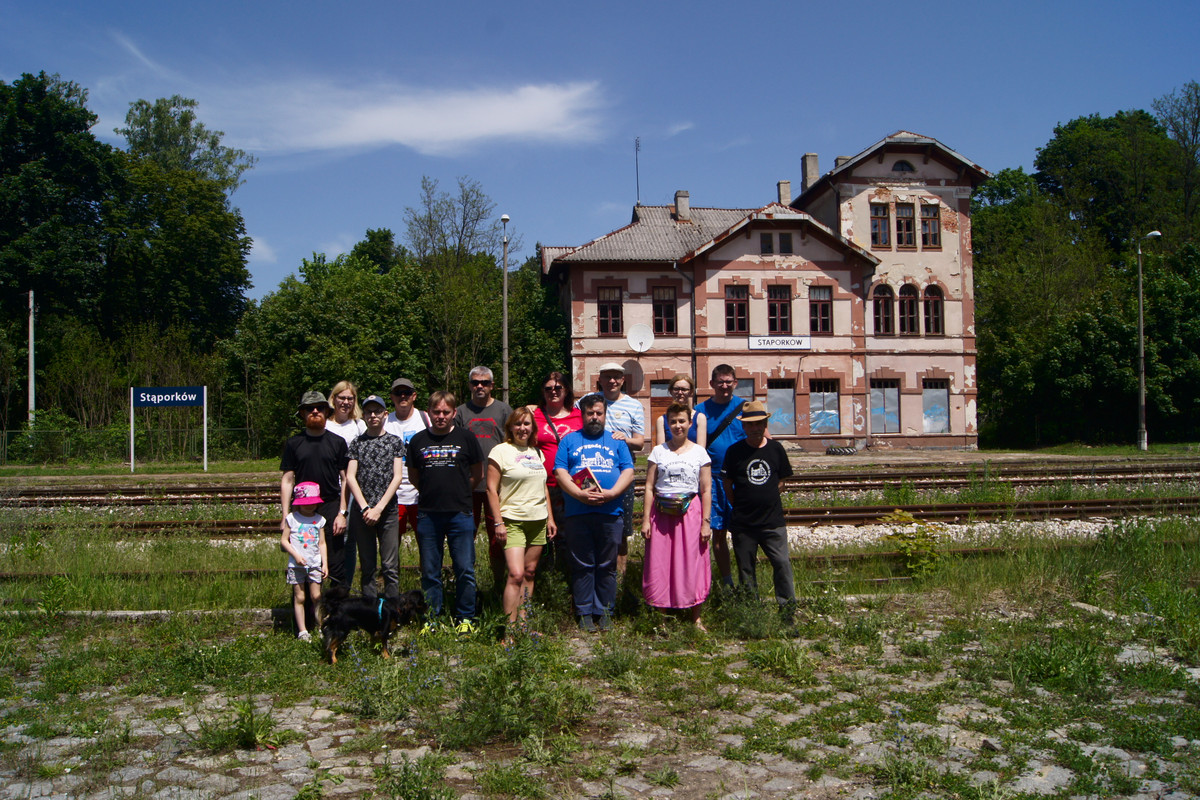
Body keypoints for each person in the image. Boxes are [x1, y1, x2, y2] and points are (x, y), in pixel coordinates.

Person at [554, 393, 635, 632]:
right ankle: (584, 611)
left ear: (605, 414)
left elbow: (628, 472)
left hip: (610, 512)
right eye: (590, 413)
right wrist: (579, 495)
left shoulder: (616, 441)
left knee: (607, 564)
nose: (595, 417)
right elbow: (560, 472)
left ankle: (605, 611)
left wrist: (611, 494)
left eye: (599, 413)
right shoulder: (570, 440)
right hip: (578, 513)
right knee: (582, 564)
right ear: (582, 415)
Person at [408, 391, 484, 633]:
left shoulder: (467, 438)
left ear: (454, 413)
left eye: (446, 412)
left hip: (460, 513)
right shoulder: (418, 440)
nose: (441, 416)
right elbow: (413, 476)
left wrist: (460, 492)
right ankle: (432, 619)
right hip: (428, 514)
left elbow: (477, 474)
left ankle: (466, 619)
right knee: (430, 571)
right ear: (429, 413)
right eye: (436, 412)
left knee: (465, 569)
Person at [641, 402, 713, 630]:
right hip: (661, 514)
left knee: (692, 562)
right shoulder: (658, 451)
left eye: (682, 421)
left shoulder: (700, 453)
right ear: (667, 424)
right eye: (673, 421)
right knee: (660, 563)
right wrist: (645, 520)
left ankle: (695, 617)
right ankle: (662, 616)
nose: (677, 425)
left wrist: (706, 523)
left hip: (690, 513)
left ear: (690, 423)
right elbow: (650, 487)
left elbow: (706, 490)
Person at [486, 407, 557, 625]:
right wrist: (498, 522)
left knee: (529, 572)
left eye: (527, 424)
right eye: (518, 424)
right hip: (512, 520)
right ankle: (509, 630)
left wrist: (550, 519)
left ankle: (523, 626)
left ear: (532, 428)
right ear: (510, 427)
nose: (522, 428)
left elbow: (543, 488)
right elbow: (491, 489)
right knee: (516, 574)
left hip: (537, 519)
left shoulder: (537, 453)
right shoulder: (500, 451)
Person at [723, 400, 795, 610]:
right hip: (743, 523)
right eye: (750, 424)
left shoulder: (776, 449)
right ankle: (751, 611)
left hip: (773, 522)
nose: (755, 428)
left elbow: (781, 481)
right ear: (743, 426)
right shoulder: (734, 451)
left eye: (759, 424)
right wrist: (740, 504)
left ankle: (787, 609)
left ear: (765, 424)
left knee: (782, 564)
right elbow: (727, 485)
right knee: (746, 569)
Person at [280, 391, 349, 586]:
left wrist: (342, 512)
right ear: (302, 413)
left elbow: (345, 479)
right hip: (302, 510)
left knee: (335, 562)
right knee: (303, 561)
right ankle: (308, 612)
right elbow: (287, 480)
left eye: (320, 408)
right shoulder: (294, 443)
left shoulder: (337, 442)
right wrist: (286, 516)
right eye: (310, 408)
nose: (315, 411)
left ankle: (337, 611)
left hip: (330, 505)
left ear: (327, 412)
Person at [455, 365, 513, 593]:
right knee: (464, 536)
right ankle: (467, 586)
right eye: (475, 382)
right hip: (467, 485)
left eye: (484, 383)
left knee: (498, 538)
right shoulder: (460, 412)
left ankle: (498, 586)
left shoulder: (503, 410)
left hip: (496, 487)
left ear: (492, 386)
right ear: (469, 385)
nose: (480, 386)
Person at [346, 395, 405, 601]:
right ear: (363, 415)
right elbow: (351, 477)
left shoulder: (394, 442)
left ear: (384, 414)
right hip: (363, 513)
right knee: (368, 566)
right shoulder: (357, 443)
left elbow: (397, 477)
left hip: (387, 511)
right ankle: (369, 612)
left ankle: (392, 612)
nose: (373, 415)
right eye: (369, 412)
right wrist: (365, 508)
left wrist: (379, 508)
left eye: (377, 411)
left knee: (390, 566)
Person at [696, 364, 746, 588]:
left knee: (744, 533)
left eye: (729, 382)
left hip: (741, 479)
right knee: (718, 534)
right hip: (713, 479)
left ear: (735, 383)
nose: (724, 386)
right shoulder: (701, 410)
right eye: (720, 382)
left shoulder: (745, 407)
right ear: (712, 384)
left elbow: (765, 438)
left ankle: (747, 580)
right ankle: (727, 583)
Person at [527, 370, 582, 572]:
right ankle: (544, 580)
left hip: (571, 486)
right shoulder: (535, 415)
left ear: (566, 390)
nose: (553, 392)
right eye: (548, 388)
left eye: (558, 387)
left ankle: (567, 578)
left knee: (569, 536)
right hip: (542, 485)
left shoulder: (579, 416)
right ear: (543, 392)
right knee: (543, 537)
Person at [596, 362, 644, 579]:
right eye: (607, 377)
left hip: (623, 471)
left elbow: (640, 442)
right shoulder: (589, 402)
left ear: (623, 380)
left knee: (622, 525)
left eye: (616, 377)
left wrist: (625, 439)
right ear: (600, 379)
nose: (612, 381)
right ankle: (598, 572)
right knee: (595, 522)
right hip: (594, 470)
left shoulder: (634, 405)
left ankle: (620, 578)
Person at [383, 377, 431, 552]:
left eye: (407, 393)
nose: (403, 396)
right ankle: (390, 578)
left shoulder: (426, 418)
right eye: (398, 393)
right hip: (394, 495)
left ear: (414, 396)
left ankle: (428, 576)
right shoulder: (385, 421)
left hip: (422, 492)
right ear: (392, 396)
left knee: (427, 541)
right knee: (391, 544)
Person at [327, 380, 366, 588]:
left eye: (350, 398)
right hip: (327, 488)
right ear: (333, 399)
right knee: (328, 539)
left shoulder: (359, 426)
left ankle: (344, 587)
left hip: (351, 490)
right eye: (341, 397)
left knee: (348, 541)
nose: (346, 402)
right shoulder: (325, 424)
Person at [281, 481, 328, 641]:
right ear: (299, 503)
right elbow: (284, 541)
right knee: (300, 597)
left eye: (313, 503)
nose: (310, 506)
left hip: (315, 564)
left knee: (316, 596)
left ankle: (321, 627)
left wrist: (325, 564)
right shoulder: (292, 518)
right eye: (306, 503)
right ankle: (302, 631)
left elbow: (322, 543)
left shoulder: (320, 520)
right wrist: (296, 555)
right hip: (296, 565)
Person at [653, 374, 707, 447]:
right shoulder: (661, 420)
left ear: (691, 392)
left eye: (684, 389)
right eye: (676, 389)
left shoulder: (700, 418)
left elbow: (701, 449)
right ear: (671, 391)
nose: (680, 392)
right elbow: (660, 450)